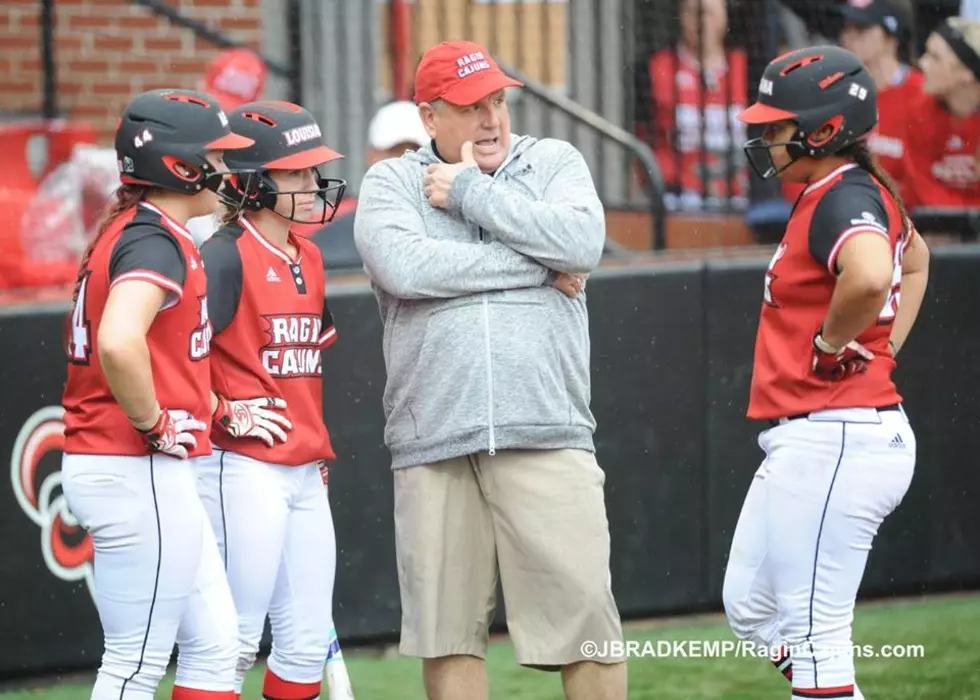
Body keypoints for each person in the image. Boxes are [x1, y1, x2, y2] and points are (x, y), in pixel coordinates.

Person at [353, 40, 627, 700]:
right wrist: (539, 264)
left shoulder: (554, 161)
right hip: (434, 440)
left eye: (499, 102)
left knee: (588, 624)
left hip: (546, 430)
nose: (492, 120)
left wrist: (472, 194)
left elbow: (583, 242)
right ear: (429, 117)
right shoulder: (391, 182)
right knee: (447, 634)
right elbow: (406, 270)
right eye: (472, 107)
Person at [723, 46, 929, 700]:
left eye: (777, 126)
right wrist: (883, 343)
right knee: (751, 606)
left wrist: (832, 341)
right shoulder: (843, 192)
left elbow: (872, 274)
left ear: (823, 129)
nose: (764, 138)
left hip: (838, 438)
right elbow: (917, 261)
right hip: (824, 438)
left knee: (815, 647)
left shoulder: (843, 195)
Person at [59, 88, 255, 700]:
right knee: (135, 662)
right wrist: (153, 423)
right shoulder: (153, 239)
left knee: (216, 646)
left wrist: (212, 408)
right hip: (131, 464)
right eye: (215, 158)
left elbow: (161, 355)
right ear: (179, 164)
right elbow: (120, 342)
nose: (225, 171)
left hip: (136, 469)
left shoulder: (148, 230)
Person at [194, 100, 352, 700]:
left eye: (313, 171)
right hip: (241, 466)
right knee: (230, 641)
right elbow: (171, 355)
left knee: (305, 641)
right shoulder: (223, 254)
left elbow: (304, 363)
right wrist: (220, 408)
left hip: (302, 468)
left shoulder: (307, 254)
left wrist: (310, 446)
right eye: (296, 173)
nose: (313, 184)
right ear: (252, 182)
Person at [641, 0, 749, 212]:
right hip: (678, 195)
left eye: (709, 13)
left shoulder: (743, 67)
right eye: (693, 13)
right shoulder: (659, 67)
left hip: (740, 194)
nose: (702, 22)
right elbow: (644, 136)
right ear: (681, 17)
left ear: (724, 17)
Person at [305, 100, 429, 271]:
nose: (405, 162)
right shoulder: (327, 225)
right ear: (372, 155)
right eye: (395, 151)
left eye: (415, 152)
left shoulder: (456, 219)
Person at [902, 16, 980, 209]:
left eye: (934, 57)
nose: (922, 63)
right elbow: (922, 185)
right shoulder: (918, 112)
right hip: (935, 225)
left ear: (966, 74)